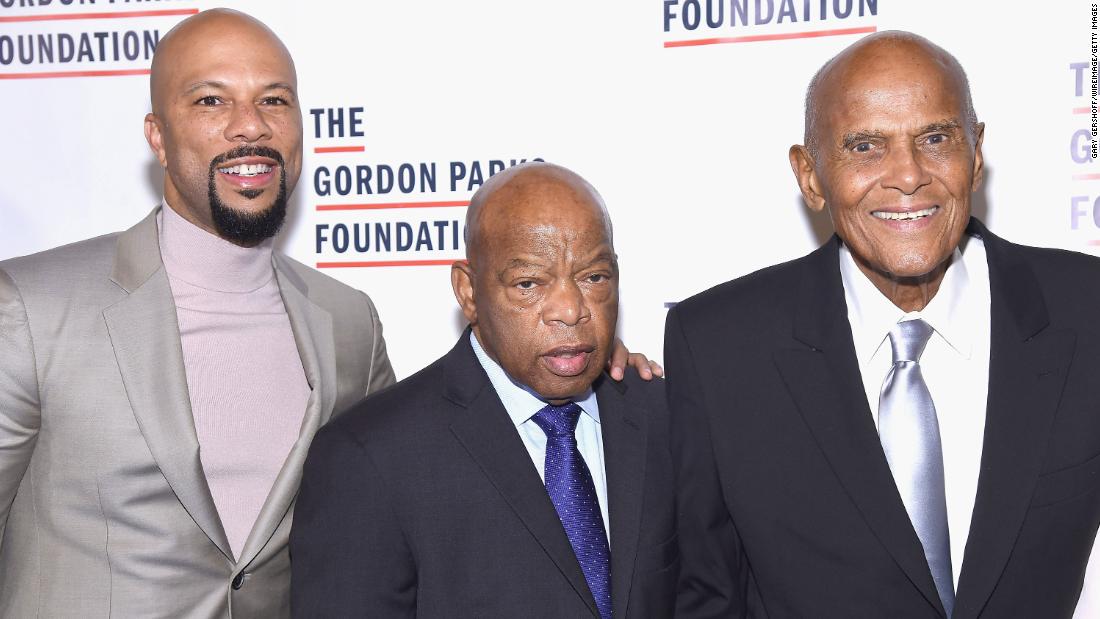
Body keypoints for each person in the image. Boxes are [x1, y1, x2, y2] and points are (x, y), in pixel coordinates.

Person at [0, 10, 656, 617]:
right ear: (158, 136)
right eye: (210, 100)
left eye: (273, 100)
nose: (249, 124)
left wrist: (584, 364)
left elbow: (410, 483)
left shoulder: (346, 322)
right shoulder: (34, 307)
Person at [667, 31, 1100, 619]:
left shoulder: (1086, 310)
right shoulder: (719, 348)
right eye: (866, 147)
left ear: (976, 155)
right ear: (810, 176)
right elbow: (706, 597)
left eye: (936, 138)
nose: (908, 175)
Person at [290, 162, 677, 618]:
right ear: (469, 291)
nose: (571, 310)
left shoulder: (665, 417)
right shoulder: (367, 457)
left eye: (594, 277)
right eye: (529, 284)